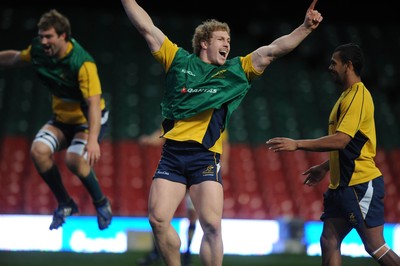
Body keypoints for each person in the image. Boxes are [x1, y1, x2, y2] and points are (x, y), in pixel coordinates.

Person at [121, 0, 322, 265]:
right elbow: (147, 28)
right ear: (204, 42)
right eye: (221, 39)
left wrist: (305, 28)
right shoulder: (178, 60)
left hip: (205, 158)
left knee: (212, 226)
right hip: (172, 155)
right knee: (158, 219)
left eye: (228, 39)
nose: (227, 44)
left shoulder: (236, 71)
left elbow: (273, 50)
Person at [266, 43, 400, 266]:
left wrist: (297, 144)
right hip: (342, 187)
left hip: (359, 184)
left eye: (333, 63)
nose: (329, 67)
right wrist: (325, 167)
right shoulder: (346, 97)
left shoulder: (358, 96)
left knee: (375, 246)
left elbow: (341, 140)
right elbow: (351, 146)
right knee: (329, 240)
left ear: (348, 66)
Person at [0, 9, 112, 230]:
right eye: (41, 36)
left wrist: (92, 140)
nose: (43, 41)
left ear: (63, 36)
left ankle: (101, 203)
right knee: (38, 151)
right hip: (61, 119)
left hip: (87, 120)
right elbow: (14, 58)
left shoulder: (82, 64)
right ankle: (65, 203)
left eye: (48, 36)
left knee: (73, 159)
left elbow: (93, 104)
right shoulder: (39, 51)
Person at [137, 130, 230, 266]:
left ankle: (187, 251)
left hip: (204, 161)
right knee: (159, 218)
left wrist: (225, 161)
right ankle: (156, 252)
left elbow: (225, 142)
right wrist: (151, 139)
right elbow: (165, 131)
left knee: (205, 221)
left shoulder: (214, 113)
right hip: (173, 158)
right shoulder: (177, 110)